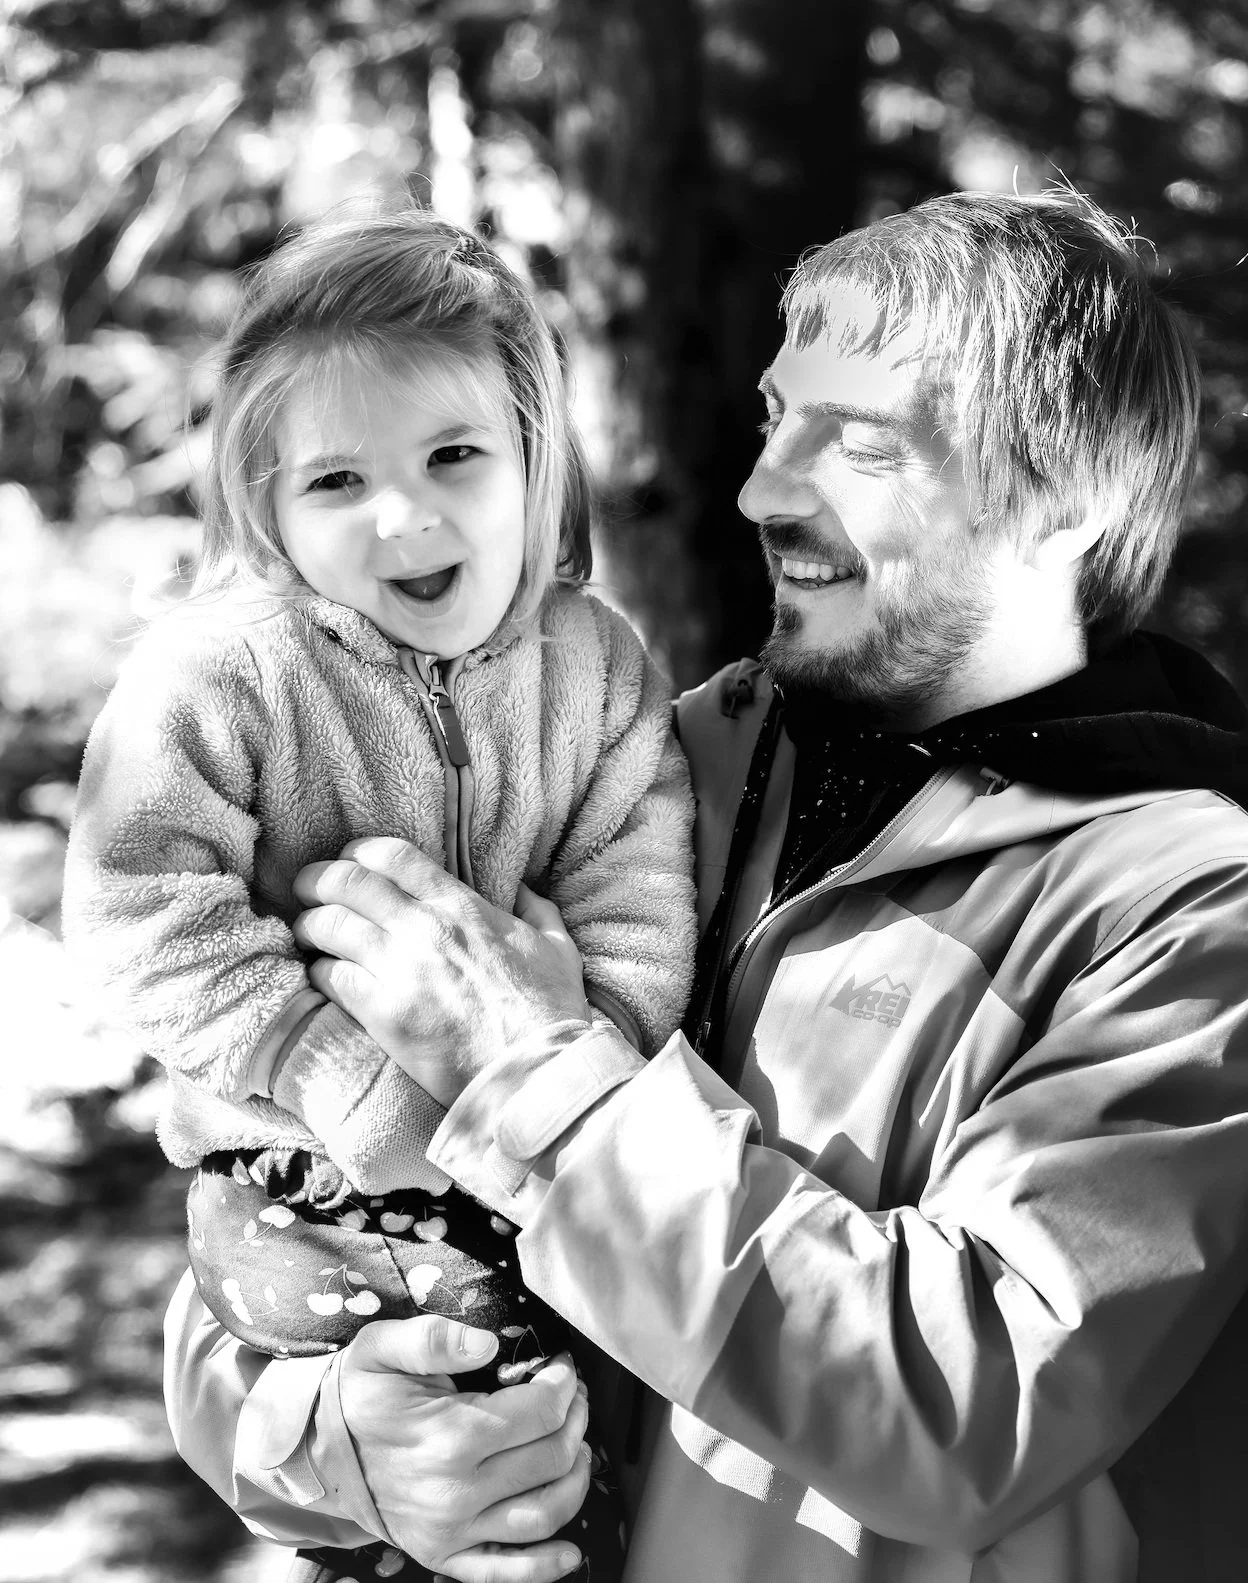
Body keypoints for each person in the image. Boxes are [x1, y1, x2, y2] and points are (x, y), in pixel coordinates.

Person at [163, 189, 1248, 1582]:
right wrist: (339, 1445)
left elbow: (973, 1401)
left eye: (861, 442)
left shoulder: (1186, 905)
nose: (762, 490)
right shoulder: (644, 767)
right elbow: (257, 1211)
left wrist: (538, 1075)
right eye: (775, 418)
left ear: (1066, 498)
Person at [63, 207, 697, 1583]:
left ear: (534, 459)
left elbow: (637, 887)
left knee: (588, 1439)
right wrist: (345, 1079)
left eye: (454, 456)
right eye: (338, 479)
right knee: (511, 1444)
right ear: (268, 507)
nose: (405, 516)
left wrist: (580, 1046)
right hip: (304, 1188)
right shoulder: (225, 672)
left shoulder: (596, 667)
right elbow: (140, 911)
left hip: (530, 1172)